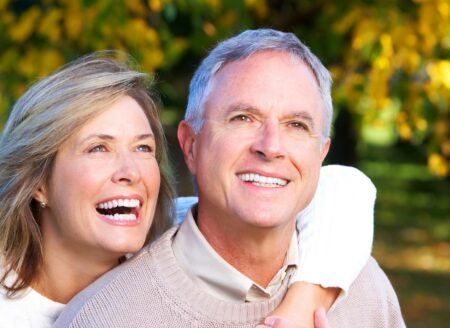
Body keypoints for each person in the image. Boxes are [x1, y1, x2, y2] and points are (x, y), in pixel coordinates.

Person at [54, 29, 405, 327]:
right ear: (191, 145)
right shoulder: (106, 316)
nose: (271, 146)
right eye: (242, 118)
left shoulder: (363, 286)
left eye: (296, 125)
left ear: (321, 154)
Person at [0, 54, 174, 327]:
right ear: (38, 183)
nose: (131, 172)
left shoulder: (183, 254)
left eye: (143, 148)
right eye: (98, 148)